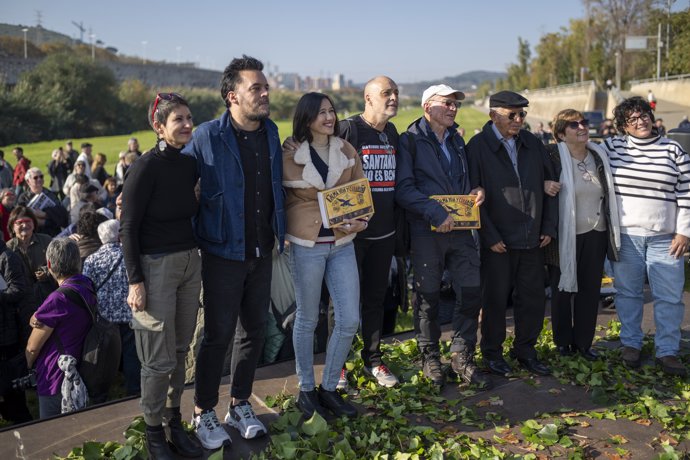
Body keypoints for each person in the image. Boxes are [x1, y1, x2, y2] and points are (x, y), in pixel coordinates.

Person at [183, 55, 285, 449]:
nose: (265, 94)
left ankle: (240, 403)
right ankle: (203, 411)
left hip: (263, 249)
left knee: (254, 330)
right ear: (232, 96)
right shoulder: (207, 136)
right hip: (223, 250)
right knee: (218, 334)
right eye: (256, 88)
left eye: (266, 87)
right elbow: (181, 185)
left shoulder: (272, 132)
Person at [120, 92, 202, 459]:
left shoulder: (187, 165)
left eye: (188, 118)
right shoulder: (144, 168)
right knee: (158, 358)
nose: (186, 125)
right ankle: (153, 431)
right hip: (155, 268)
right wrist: (135, 281)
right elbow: (128, 227)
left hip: (189, 263)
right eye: (178, 120)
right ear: (159, 127)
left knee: (182, 349)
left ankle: (174, 420)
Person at [395, 84, 489, 388]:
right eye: (447, 104)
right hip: (426, 230)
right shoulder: (409, 141)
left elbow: (463, 181)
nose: (453, 109)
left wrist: (475, 190)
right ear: (428, 108)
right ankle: (430, 356)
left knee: (471, 290)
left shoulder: (457, 141)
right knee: (428, 297)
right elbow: (404, 189)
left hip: (460, 230)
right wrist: (435, 213)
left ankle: (461, 354)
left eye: (455, 105)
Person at [283, 92, 363, 418]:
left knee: (348, 320)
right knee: (307, 318)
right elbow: (284, 198)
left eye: (331, 111)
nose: (329, 118)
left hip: (343, 244)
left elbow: (360, 191)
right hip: (306, 246)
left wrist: (361, 217)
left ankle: (329, 387)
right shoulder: (289, 154)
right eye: (321, 113)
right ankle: (306, 390)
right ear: (306, 118)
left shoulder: (346, 150)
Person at [466, 90, 557, 377]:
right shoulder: (477, 147)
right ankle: (492, 353)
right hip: (499, 241)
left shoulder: (532, 142)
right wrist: (489, 236)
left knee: (532, 299)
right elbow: (472, 195)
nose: (519, 120)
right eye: (512, 115)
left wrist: (548, 227)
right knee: (494, 300)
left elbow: (550, 185)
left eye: (522, 115)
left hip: (532, 238)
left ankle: (525, 350)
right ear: (493, 115)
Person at [601, 96, 689, 377]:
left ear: (651, 117)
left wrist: (684, 231)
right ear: (623, 126)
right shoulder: (611, 147)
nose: (640, 122)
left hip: (666, 238)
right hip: (626, 237)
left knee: (669, 297)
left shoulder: (672, 148)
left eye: (644, 116)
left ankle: (667, 350)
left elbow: (686, 192)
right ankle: (631, 344)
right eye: (632, 119)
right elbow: (577, 154)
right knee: (627, 294)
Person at [337, 76, 401, 388]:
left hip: (384, 234)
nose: (393, 98)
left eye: (396, 93)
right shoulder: (349, 129)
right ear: (368, 97)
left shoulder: (391, 133)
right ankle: (337, 365)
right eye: (386, 93)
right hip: (351, 237)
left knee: (375, 300)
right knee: (342, 303)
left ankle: (373, 359)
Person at [543, 109, 621, 360]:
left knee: (589, 290)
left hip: (596, 232)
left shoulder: (599, 155)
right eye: (573, 125)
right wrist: (544, 184)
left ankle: (584, 343)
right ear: (561, 133)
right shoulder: (551, 156)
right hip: (565, 235)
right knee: (562, 290)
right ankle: (563, 343)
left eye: (584, 123)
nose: (582, 127)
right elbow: (533, 181)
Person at [25, 238, 93, 419]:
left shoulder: (57, 299)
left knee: (53, 433)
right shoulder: (86, 285)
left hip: (56, 378)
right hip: (85, 366)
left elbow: (32, 347)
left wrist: (29, 366)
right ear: (78, 261)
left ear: (49, 264)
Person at [83, 219, 140, 397]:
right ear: (119, 235)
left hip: (104, 318)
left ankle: (101, 395)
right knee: (131, 356)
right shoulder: (130, 254)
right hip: (129, 313)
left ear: (101, 238)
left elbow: (87, 289)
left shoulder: (91, 259)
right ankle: (134, 391)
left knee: (105, 358)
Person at [0, 233, 31, 424]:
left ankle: (22, 423)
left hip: (7, 334)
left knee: (11, 385)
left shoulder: (7, 257)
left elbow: (19, 289)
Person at [7, 206, 58, 318]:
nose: (25, 225)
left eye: (28, 221)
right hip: (21, 303)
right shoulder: (8, 248)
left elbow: (57, 264)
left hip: (47, 297)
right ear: (12, 226)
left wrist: (46, 272)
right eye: (20, 222)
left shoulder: (46, 240)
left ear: (34, 224)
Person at [16, 167, 69, 237]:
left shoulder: (51, 194)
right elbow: (20, 218)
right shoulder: (23, 198)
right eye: (35, 178)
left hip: (52, 234)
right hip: (34, 236)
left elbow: (62, 215)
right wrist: (50, 217)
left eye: (41, 177)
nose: (39, 179)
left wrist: (45, 214)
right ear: (28, 181)